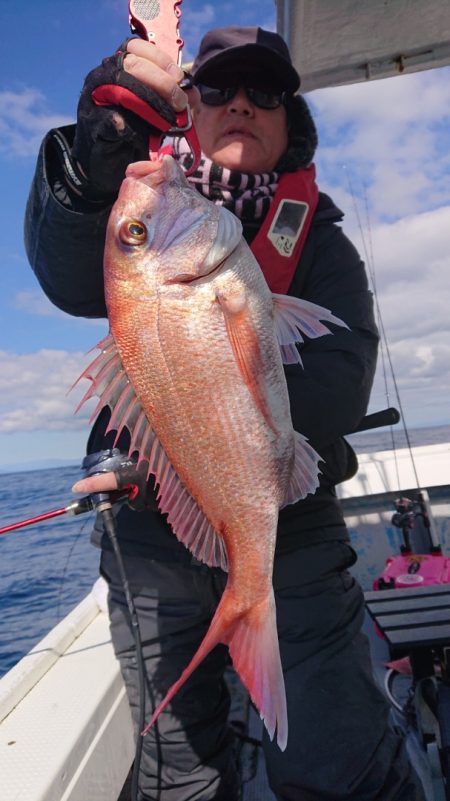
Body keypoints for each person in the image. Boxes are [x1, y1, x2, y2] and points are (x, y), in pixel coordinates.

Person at [24, 25, 426, 801]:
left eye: (264, 91)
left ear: (289, 119)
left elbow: (344, 370)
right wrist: (87, 164)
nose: (241, 103)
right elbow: (71, 273)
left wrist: (245, 453)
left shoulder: (320, 241)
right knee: (177, 774)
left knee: (337, 762)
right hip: (148, 536)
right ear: (189, 109)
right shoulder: (140, 198)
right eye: (217, 88)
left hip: (293, 529)